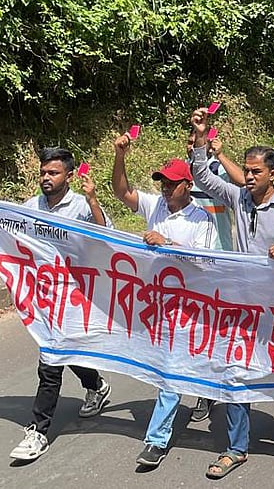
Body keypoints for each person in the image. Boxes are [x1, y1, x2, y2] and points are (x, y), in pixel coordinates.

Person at [0, 147, 113, 462]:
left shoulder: (80, 206)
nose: (46, 178)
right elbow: (4, 221)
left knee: (51, 360)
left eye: (53, 173)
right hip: (44, 294)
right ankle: (96, 385)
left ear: (69, 176)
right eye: (43, 173)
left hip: (75, 292)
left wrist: (94, 199)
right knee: (60, 351)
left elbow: (106, 236)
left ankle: (38, 430)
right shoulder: (33, 206)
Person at [188, 109, 274, 478]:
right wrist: (201, 137)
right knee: (236, 370)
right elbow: (202, 176)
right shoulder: (237, 197)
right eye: (247, 170)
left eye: (257, 172)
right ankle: (236, 447)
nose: (250, 177)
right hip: (242, 303)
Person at [111, 134, 218, 469]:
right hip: (156, 303)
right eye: (162, 183)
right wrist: (119, 156)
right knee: (172, 366)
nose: (165, 189)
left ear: (187, 185)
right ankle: (205, 388)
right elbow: (121, 191)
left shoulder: (202, 220)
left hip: (190, 306)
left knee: (171, 372)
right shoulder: (154, 205)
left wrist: (167, 242)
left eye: (172, 184)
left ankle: (156, 439)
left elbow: (205, 263)